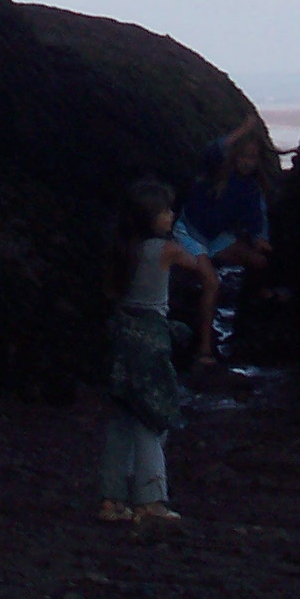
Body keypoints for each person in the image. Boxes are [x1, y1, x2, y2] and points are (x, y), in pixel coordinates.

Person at [100, 178, 217, 523]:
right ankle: (150, 499)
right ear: (149, 217)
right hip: (150, 341)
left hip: (121, 337)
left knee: (122, 419)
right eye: (165, 211)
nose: (171, 215)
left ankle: (111, 499)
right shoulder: (167, 250)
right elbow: (200, 266)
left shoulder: (122, 248)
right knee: (153, 418)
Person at [176, 113, 274, 274]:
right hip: (190, 232)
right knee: (210, 280)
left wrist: (260, 239)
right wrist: (244, 129)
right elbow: (213, 149)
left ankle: (224, 274)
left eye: (252, 158)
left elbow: (258, 218)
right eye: (243, 156)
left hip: (216, 237)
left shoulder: (252, 189)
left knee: (259, 261)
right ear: (234, 155)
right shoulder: (217, 169)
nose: (247, 162)